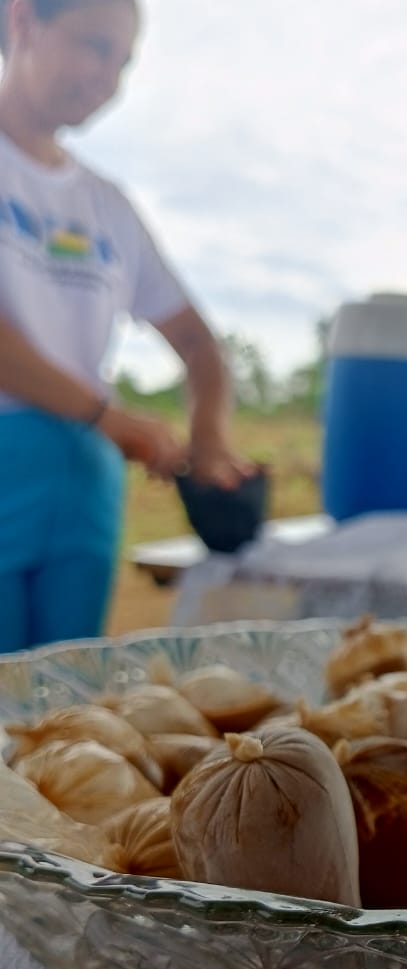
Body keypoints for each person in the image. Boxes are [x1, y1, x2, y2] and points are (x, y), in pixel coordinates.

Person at [0, 0, 253, 653]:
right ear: (23, 22)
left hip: (84, 485)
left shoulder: (105, 204)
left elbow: (199, 345)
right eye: (92, 46)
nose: (106, 77)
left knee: (62, 709)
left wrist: (209, 440)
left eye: (122, 60)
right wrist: (110, 419)